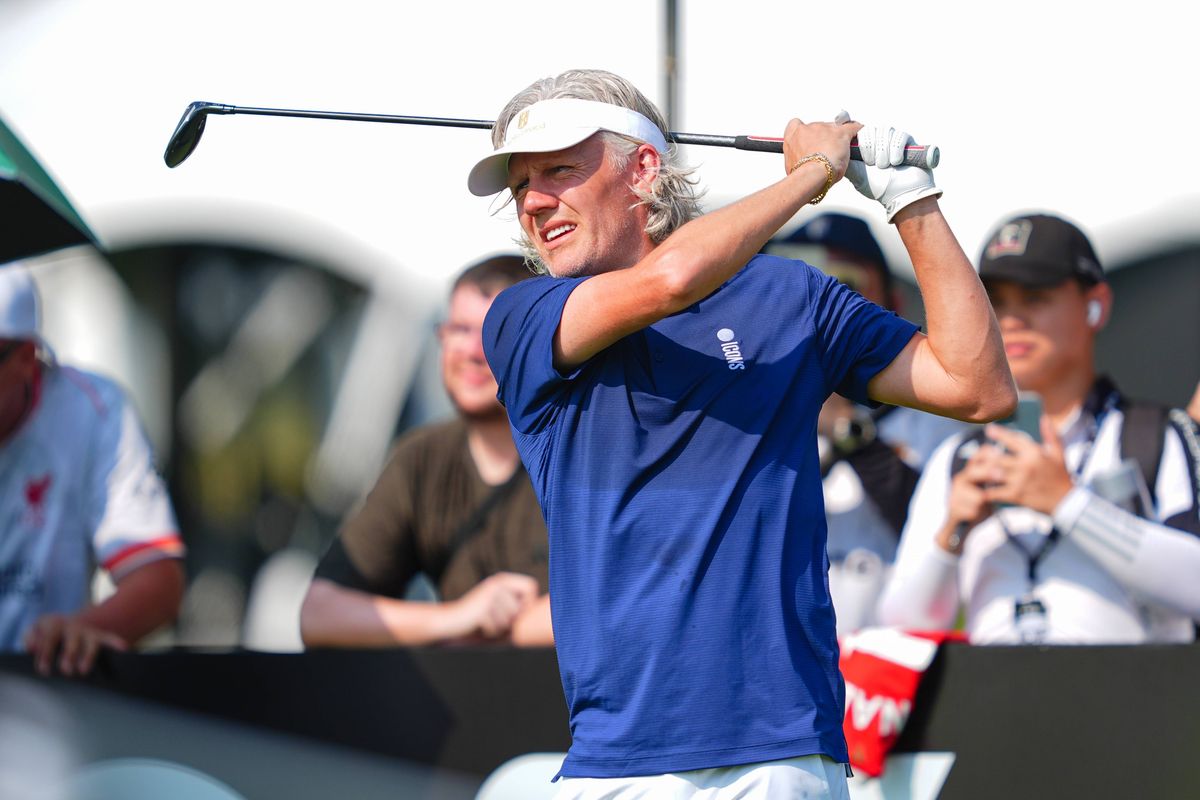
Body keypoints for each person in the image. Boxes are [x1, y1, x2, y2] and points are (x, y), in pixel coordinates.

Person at [471, 69, 1014, 797]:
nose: (535, 201)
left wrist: (910, 202)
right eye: (521, 184)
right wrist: (815, 175)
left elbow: (977, 386)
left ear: (643, 168)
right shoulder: (523, 316)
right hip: (614, 765)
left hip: (778, 756)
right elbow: (670, 282)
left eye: (559, 171)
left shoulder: (788, 296)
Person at [878, 213, 1200, 644]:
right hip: (991, 703)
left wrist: (1067, 503)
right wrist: (953, 532)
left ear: (1096, 305)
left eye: (1035, 296)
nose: (1010, 319)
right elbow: (897, 630)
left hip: (1132, 704)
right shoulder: (957, 457)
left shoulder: (1157, 436)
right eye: (996, 300)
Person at [299, 255, 553, 648]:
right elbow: (320, 615)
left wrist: (509, 630)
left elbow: (630, 601)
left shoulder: (581, 447)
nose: (470, 351)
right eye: (458, 329)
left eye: (492, 332)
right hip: (467, 703)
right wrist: (458, 618)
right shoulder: (423, 458)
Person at [764, 213, 969, 635]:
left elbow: (939, 526)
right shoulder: (755, 409)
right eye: (801, 287)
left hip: (892, 663)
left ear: (893, 304)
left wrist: (848, 431)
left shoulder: (937, 415)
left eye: (844, 286)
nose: (821, 308)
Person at [0, 266, 185, 676]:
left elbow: (158, 578)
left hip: (41, 692)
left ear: (26, 358)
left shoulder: (93, 411)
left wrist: (82, 630)